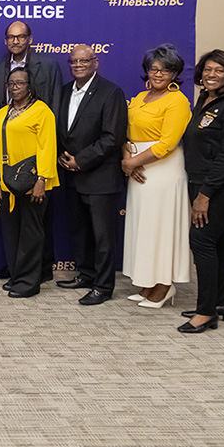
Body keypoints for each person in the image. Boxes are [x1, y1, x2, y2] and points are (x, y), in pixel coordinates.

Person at [179, 50, 224, 333]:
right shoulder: (205, 98)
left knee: (201, 240)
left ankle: (205, 312)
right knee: (218, 240)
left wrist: (205, 194)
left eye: (219, 70)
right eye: (207, 69)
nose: (211, 75)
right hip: (201, 181)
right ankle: (219, 303)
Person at [0, 21, 62, 282]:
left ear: (30, 39)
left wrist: (42, 174)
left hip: (36, 155)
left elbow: (54, 108)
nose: (15, 41)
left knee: (36, 221)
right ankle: (17, 269)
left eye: (20, 37)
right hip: (7, 154)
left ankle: (38, 272)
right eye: (11, 37)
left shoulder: (47, 67)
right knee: (13, 222)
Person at [54, 45, 128, 305]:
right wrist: (63, 156)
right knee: (80, 231)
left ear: (95, 62)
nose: (78, 65)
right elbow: (62, 131)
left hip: (100, 177)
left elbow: (113, 137)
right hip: (71, 176)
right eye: (73, 61)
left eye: (84, 61)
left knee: (103, 237)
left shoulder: (111, 92)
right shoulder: (64, 91)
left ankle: (103, 287)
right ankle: (86, 274)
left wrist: (80, 161)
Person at [120, 44, 192, 309]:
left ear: (175, 73)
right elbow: (126, 132)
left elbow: (167, 144)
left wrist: (132, 163)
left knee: (161, 227)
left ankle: (164, 285)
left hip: (163, 170)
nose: (159, 74)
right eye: (154, 68)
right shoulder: (140, 97)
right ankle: (148, 282)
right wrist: (127, 157)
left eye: (166, 69)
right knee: (144, 227)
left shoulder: (177, 101)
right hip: (137, 168)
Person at [0, 67, 59, 298]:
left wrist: (42, 180)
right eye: (11, 83)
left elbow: (48, 147)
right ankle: (17, 275)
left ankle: (29, 283)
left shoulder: (42, 111)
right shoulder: (3, 112)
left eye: (20, 83)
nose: (15, 87)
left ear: (30, 87)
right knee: (12, 232)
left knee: (31, 233)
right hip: (8, 181)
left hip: (33, 181)